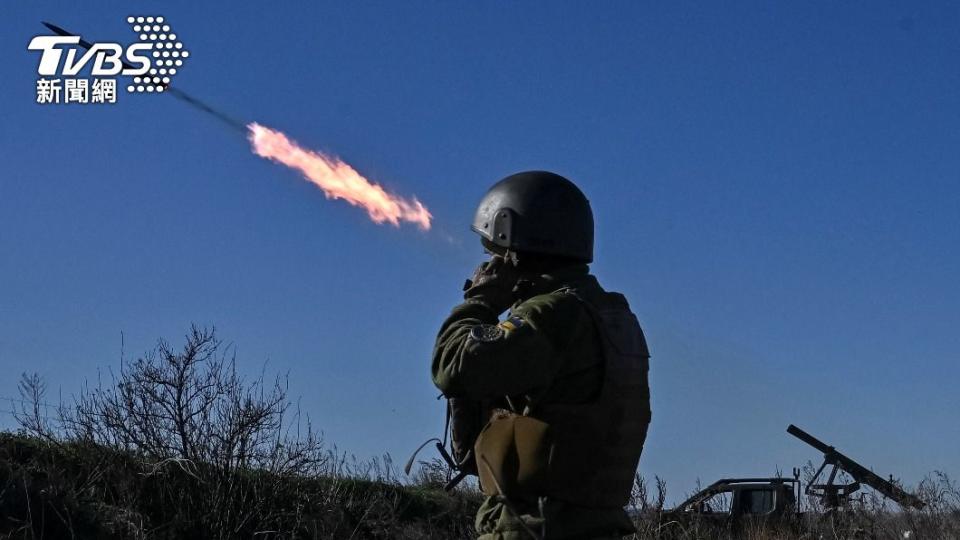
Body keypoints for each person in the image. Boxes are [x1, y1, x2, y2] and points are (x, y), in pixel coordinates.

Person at [431, 171, 651, 540]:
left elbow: (453, 366)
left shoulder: (551, 316)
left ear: (515, 248)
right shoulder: (610, 315)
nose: (490, 263)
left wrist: (481, 300)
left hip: (535, 528)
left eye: (495, 254)